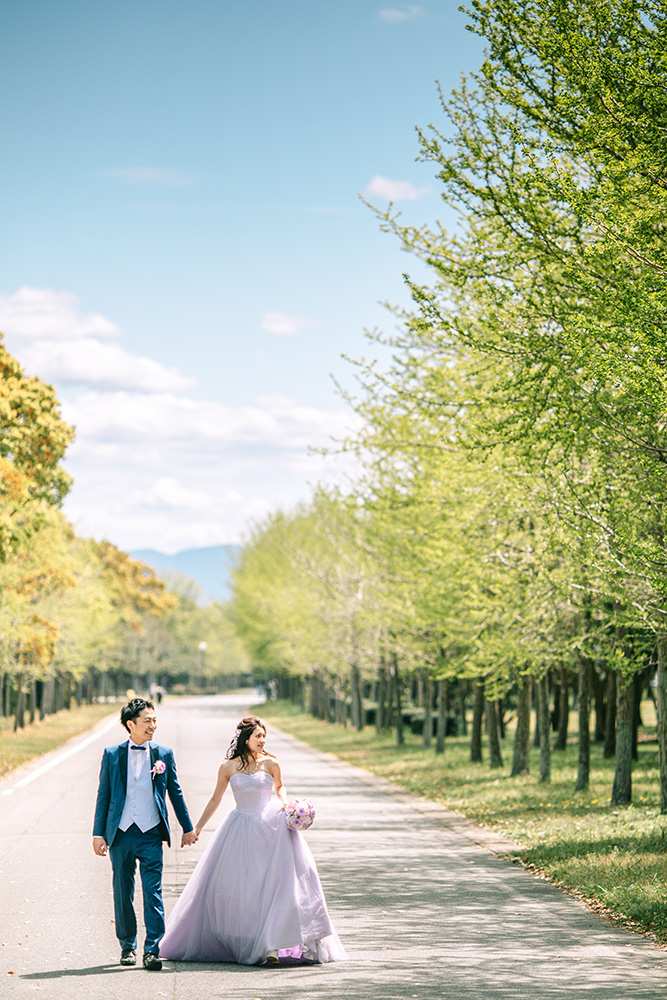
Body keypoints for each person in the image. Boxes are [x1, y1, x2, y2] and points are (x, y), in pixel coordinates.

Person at [159, 715, 347, 966]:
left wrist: (285, 804)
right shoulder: (227, 767)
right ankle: (248, 940)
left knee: (277, 886)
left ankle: (272, 945)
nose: (262, 740)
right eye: (258, 736)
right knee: (242, 889)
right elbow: (215, 800)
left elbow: (280, 787)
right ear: (245, 738)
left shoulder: (271, 763)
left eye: (264, 736)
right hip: (240, 828)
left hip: (271, 826)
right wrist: (197, 829)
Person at [92, 698, 197, 971]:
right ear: (131, 724)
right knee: (122, 891)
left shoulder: (164, 753)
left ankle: (152, 950)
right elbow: (104, 795)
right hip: (121, 834)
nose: (153, 725)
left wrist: (187, 827)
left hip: (151, 833)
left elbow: (175, 792)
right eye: (147, 721)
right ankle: (128, 946)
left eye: (154, 720)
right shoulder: (112, 754)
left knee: (153, 893)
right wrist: (98, 833)